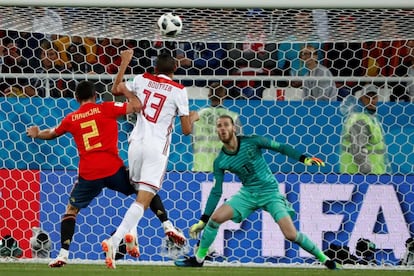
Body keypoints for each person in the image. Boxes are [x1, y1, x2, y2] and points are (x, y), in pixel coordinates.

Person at [174, 114, 341, 270]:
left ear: (234, 128)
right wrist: (203, 220)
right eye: (219, 126)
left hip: (270, 192)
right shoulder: (220, 161)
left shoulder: (252, 142)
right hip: (248, 194)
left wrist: (304, 159)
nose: (222, 129)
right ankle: (199, 259)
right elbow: (216, 191)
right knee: (215, 219)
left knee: (290, 234)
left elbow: (280, 148)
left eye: (226, 125)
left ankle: (324, 258)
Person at [26, 80, 141, 266]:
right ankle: (135, 231)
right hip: (113, 168)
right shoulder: (106, 108)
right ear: (95, 96)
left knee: (71, 211)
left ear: (76, 98)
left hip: (89, 173)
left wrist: (37, 133)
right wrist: (126, 90)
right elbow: (135, 107)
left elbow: (52, 133)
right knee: (142, 194)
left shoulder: (72, 118)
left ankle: (63, 254)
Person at [101, 52, 199, 269]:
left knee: (140, 194)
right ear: (175, 69)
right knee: (144, 198)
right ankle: (115, 240)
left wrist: (124, 63)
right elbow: (185, 130)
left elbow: (116, 89)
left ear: (155, 68)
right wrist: (193, 116)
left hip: (135, 143)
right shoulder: (179, 90)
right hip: (156, 147)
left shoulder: (143, 79)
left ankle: (133, 233)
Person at [339, 84, 389, 174]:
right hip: (359, 174)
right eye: (367, 97)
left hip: (372, 173)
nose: (371, 100)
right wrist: (366, 173)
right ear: (361, 99)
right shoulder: (360, 120)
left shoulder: (371, 118)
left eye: (374, 97)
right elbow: (358, 150)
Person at [192, 82, 242, 172]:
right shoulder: (233, 117)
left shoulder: (198, 115)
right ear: (224, 96)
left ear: (209, 96)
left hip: (201, 166)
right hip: (225, 167)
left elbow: (193, 140)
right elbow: (239, 144)